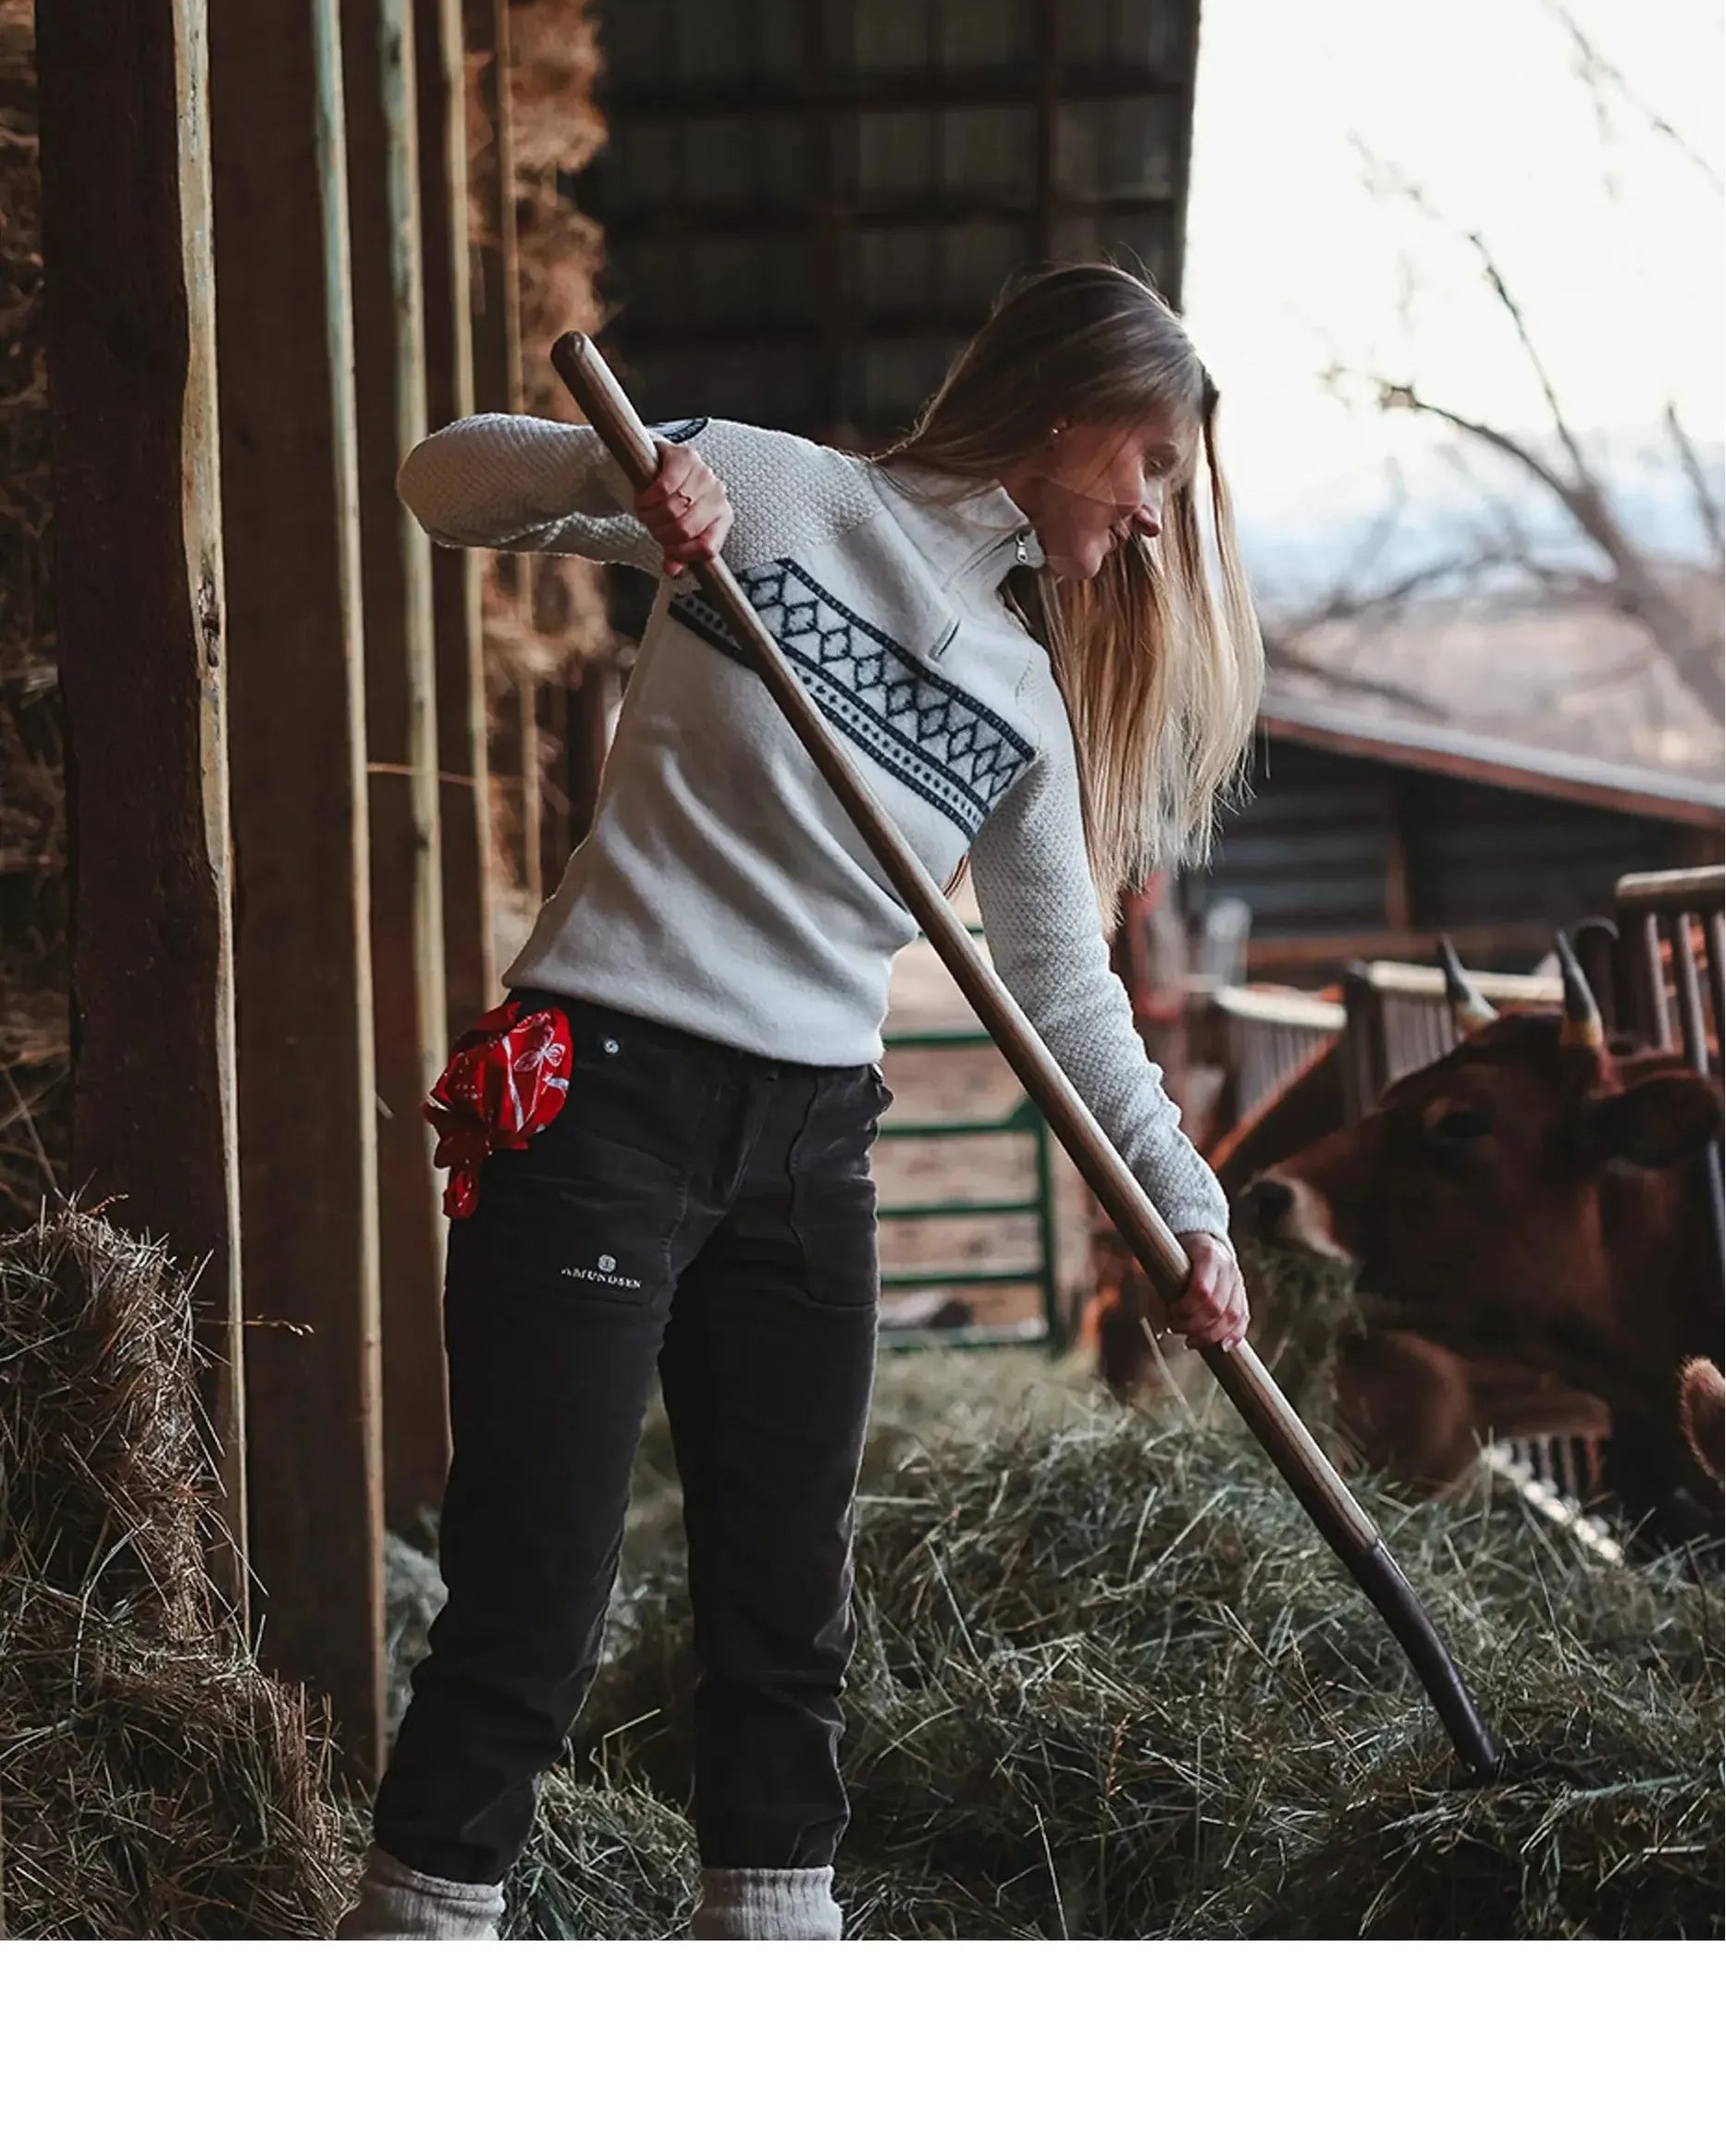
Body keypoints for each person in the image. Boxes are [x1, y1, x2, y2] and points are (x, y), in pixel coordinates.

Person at [336, 261, 1263, 1942]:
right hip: (600, 1094)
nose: (1146, 521)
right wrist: (597, 476)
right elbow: (438, 482)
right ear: (1065, 411)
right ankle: (414, 1950)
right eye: (1148, 470)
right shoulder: (768, 492)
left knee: (786, 1623)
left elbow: (1067, 1002)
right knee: (535, 1599)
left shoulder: (1021, 702)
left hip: (809, 1150)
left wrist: (1180, 1208)